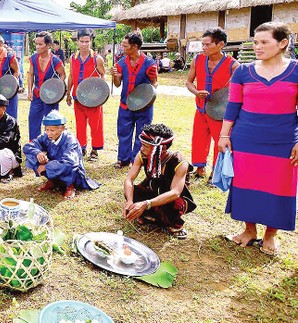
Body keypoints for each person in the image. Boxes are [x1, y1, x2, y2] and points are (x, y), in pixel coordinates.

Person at [219, 22, 297, 256]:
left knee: (279, 186)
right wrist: (225, 135)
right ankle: (249, 230)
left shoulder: (295, 70)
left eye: (264, 42)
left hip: (283, 141)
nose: (258, 47)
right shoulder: (243, 71)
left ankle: (271, 234)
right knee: (245, 184)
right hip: (246, 139)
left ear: (282, 43)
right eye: (255, 42)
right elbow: (233, 106)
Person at [123, 124, 196, 239]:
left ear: (162, 148)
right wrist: (130, 201)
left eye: (146, 146)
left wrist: (146, 204)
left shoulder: (179, 162)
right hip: (154, 191)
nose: (141, 149)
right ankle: (151, 215)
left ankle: (173, 223)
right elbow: (129, 180)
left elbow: (175, 193)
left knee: (173, 205)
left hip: (172, 198)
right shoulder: (143, 155)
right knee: (132, 192)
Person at [186, 28, 240, 179]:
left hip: (220, 112)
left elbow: (236, 92)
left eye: (207, 45)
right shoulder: (198, 60)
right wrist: (196, 92)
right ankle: (199, 169)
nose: (204, 48)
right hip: (201, 108)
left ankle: (215, 173)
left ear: (221, 44)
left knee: (220, 141)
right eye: (202, 45)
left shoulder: (233, 65)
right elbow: (189, 82)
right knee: (198, 138)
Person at [24, 110, 98, 199]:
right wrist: (37, 153)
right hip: (53, 165)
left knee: (68, 166)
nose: (49, 133)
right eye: (47, 129)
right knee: (32, 155)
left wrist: (46, 167)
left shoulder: (70, 140)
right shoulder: (46, 136)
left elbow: (70, 163)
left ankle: (69, 186)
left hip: (71, 171)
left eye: (52, 130)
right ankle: (53, 181)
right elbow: (28, 147)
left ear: (62, 128)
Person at [110, 31, 159, 168]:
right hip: (125, 104)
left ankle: (136, 160)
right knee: (123, 132)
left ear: (135, 47)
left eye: (125, 46)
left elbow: (154, 83)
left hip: (143, 106)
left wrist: (148, 96)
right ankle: (123, 159)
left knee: (142, 133)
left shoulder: (149, 64)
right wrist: (115, 76)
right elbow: (118, 84)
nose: (122, 48)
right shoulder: (121, 63)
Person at [66, 29, 106, 161]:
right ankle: (81, 147)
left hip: (93, 99)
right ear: (77, 42)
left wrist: (101, 96)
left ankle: (95, 150)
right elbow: (71, 76)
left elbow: (102, 76)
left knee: (96, 124)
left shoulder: (97, 58)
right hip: (78, 97)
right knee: (80, 123)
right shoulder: (73, 58)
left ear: (91, 41)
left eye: (87, 41)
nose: (84, 44)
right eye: (82, 41)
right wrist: (68, 93)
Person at [27, 31, 66, 140]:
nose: (37, 47)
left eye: (40, 44)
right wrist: (29, 91)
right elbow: (30, 74)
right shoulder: (33, 58)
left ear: (48, 45)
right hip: (37, 95)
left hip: (50, 97)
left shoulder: (55, 61)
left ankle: (52, 144)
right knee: (33, 119)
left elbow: (63, 75)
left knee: (51, 122)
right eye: (36, 44)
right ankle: (34, 144)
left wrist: (57, 90)